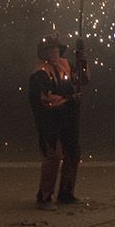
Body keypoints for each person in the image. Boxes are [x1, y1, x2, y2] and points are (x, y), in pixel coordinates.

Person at [28, 36, 90, 207]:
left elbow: (82, 80)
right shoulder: (39, 73)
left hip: (68, 117)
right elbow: (44, 99)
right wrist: (70, 99)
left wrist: (81, 62)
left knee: (73, 153)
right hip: (49, 121)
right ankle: (44, 197)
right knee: (53, 156)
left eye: (55, 48)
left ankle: (66, 193)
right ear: (44, 53)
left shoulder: (66, 64)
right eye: (50, 49)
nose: (54, 52)